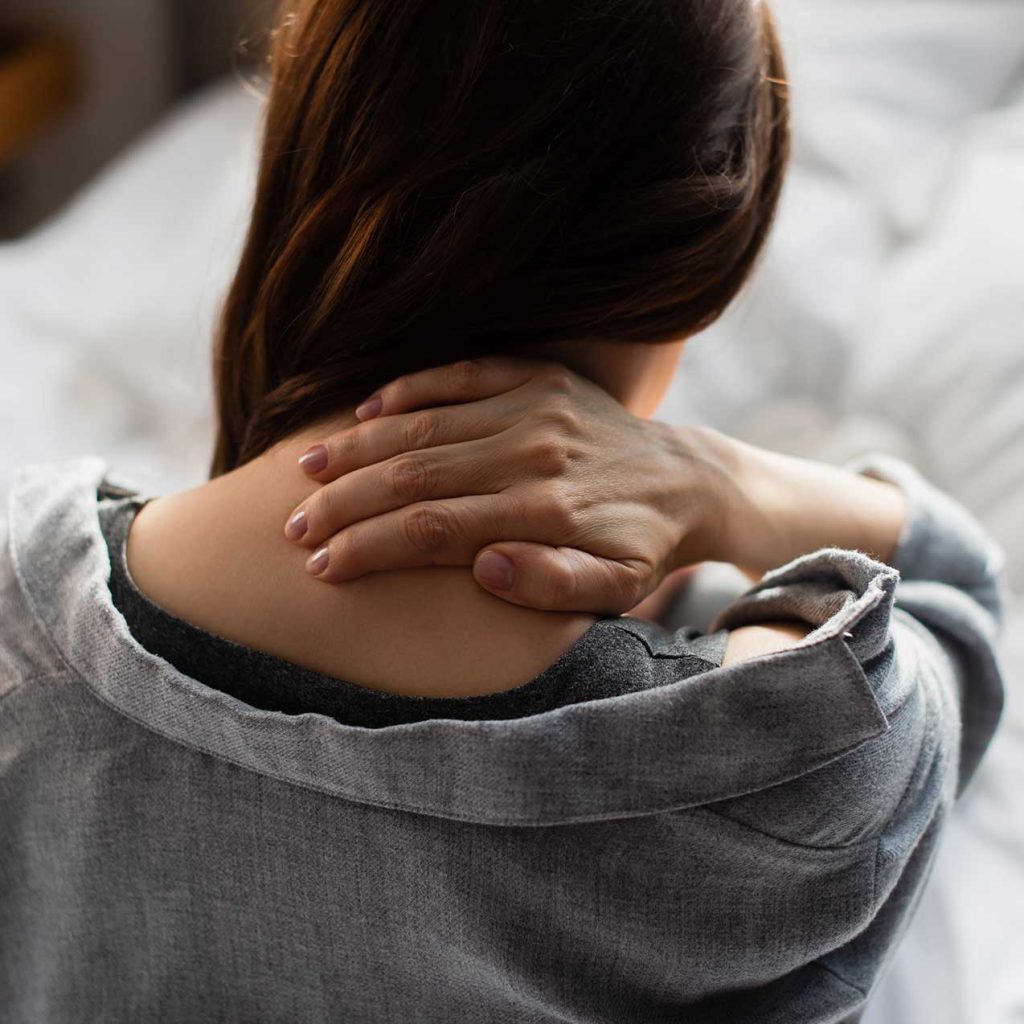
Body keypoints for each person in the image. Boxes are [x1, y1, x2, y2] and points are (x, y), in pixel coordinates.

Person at [0, 1, 1004, 1021]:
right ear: (701, 263)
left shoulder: (17, 614)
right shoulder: (805, 750)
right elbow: (958, 590)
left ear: (315, 156)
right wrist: (718, 483)